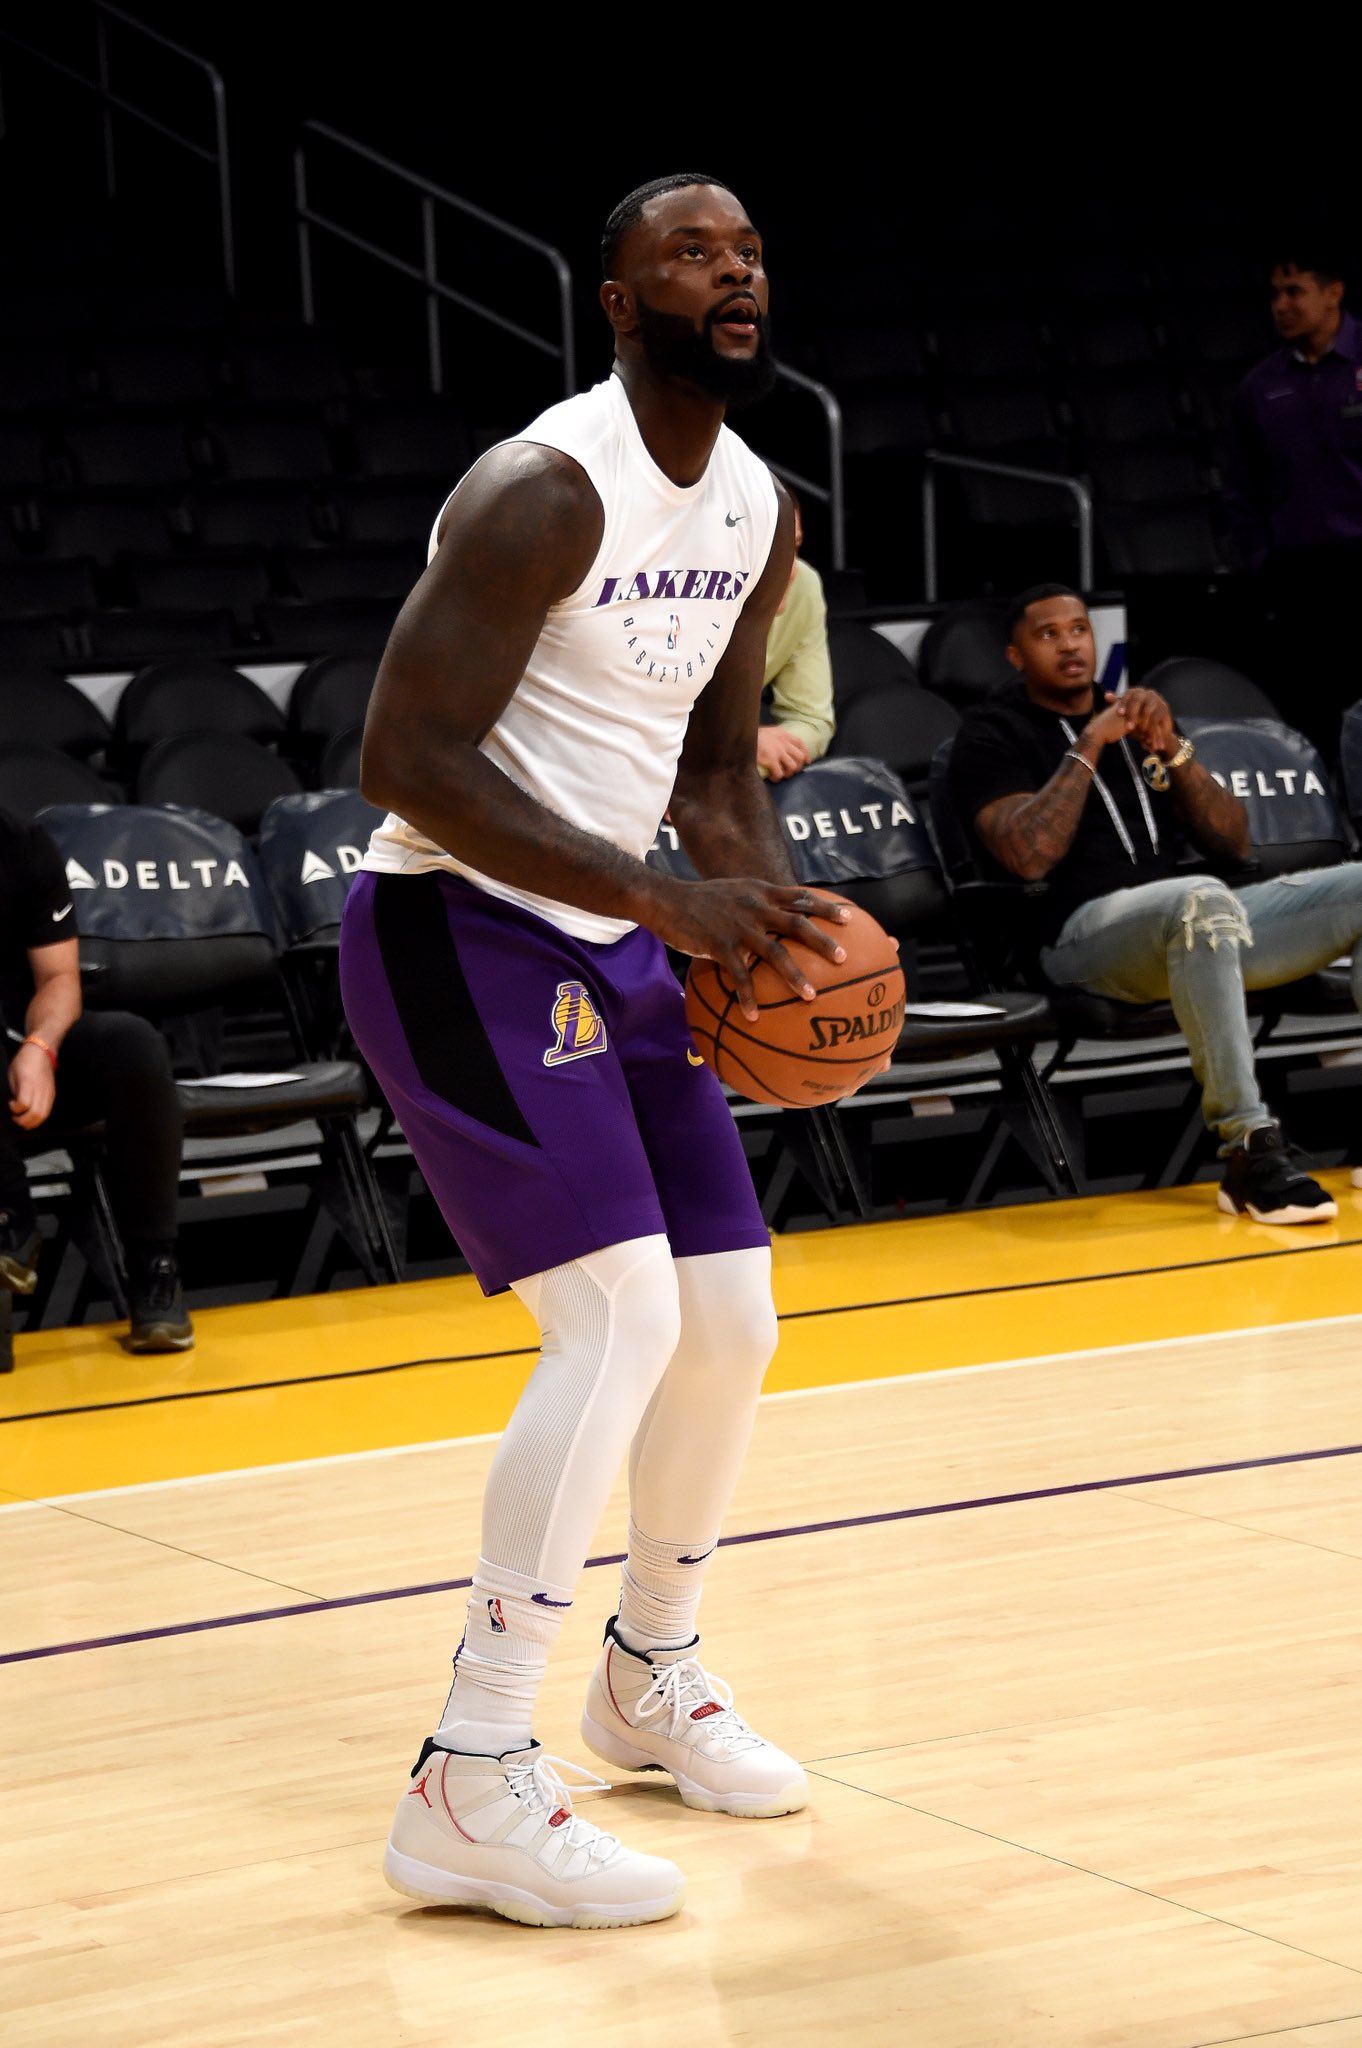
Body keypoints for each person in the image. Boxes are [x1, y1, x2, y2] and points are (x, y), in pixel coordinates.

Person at [341, 172, 874, 1931]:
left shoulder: (756, 508)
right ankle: (471, 1771)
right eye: (691, 253)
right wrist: (659, 898)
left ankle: (645, 1671)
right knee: (623, 1312)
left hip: (627, 933)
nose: (734, 269)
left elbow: (719, 767)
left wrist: (770, 916)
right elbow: (405, 758)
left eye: (747, 248)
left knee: (730, 1317)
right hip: (455, 934)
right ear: (617, 298)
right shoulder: (539, 487)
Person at [947, 583, 1362, 1224]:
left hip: (1197, 927)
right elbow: (1027, 855)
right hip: (1078, 939)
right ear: (1014, 654)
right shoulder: (990, 736)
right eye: (1048, 633)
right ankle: (1250, 1147)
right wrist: (1088, 746)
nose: (1069, 644)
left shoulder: (1142, 723)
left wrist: (1174, 748)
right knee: (1196, 899)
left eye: (1079, 629)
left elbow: (1233, 842)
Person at [0, 808, 192, 1350]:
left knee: (134, 1045)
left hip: (23, 1046)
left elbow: (59, 977)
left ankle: (155, 1269)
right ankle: (11, 1222)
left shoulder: (19, 841)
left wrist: (40, 1048)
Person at [1224, 251, 1362, 760]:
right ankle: (1332, 826)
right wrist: (1263, 561)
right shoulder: (1260, 387)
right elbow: (1242, 485)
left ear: (1333, 291)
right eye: (1275, 295)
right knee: (1314, 710)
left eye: (1295, 292)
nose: (1281, 306)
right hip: (1302, 577)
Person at [758, 485, 835, 781]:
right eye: (770, 551)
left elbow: (811, 720)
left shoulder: (803, 586)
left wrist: (727, 765)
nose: (789, 570)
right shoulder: (652, 600)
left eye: (795, 547)